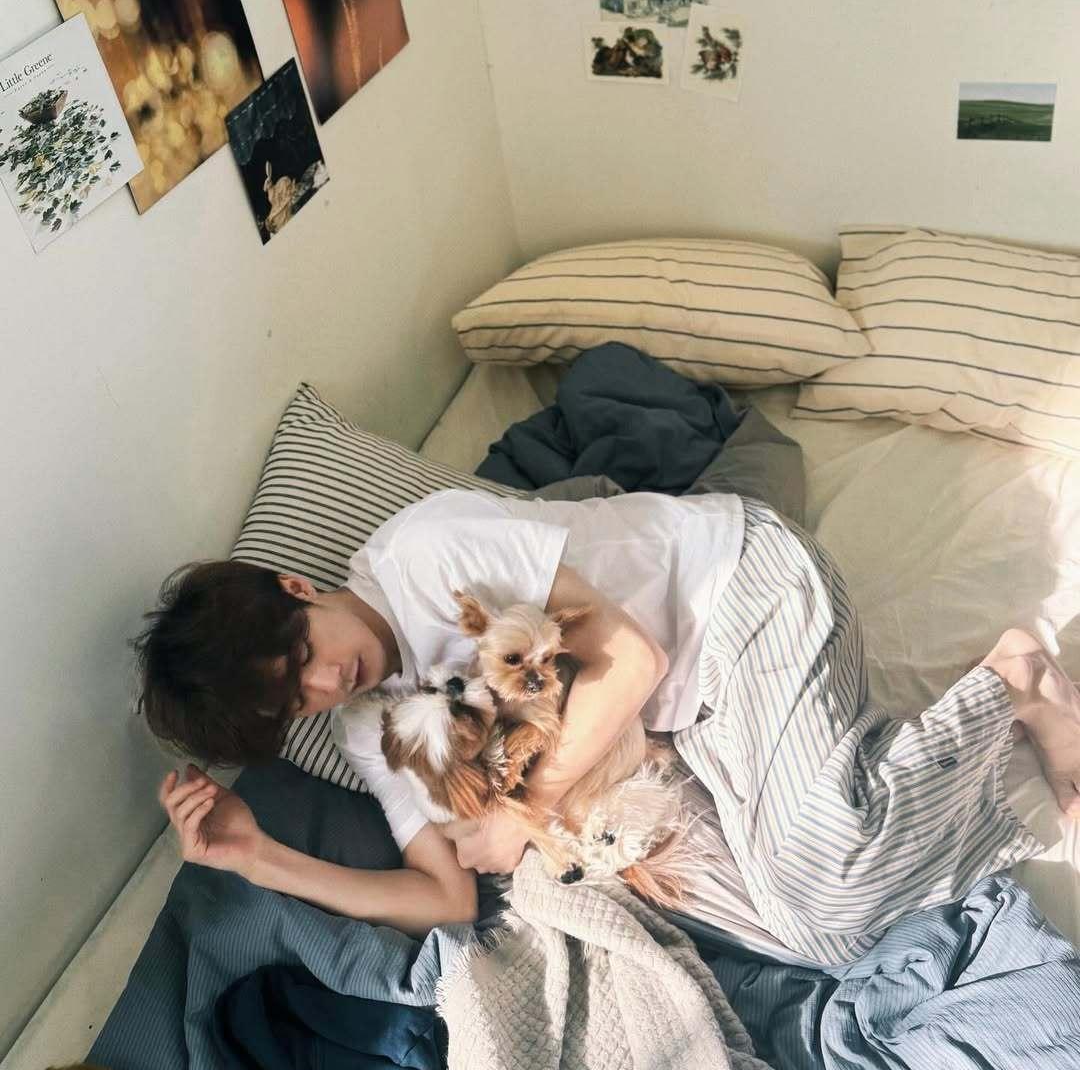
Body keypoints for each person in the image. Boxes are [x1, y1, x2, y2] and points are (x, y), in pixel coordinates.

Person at [141, 417, 1080, 965]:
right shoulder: (366, 726)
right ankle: (887, 771)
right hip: (692, 716)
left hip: (739, 594)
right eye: (294, 702)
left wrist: (524, 809)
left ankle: (1011, 683)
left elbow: (632, 661)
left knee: (829, 876)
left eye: (300, 654)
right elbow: (445, 897)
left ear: (297, 590)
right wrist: (258, 859)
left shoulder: (427, 555)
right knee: (817, 937)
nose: (324, 680)